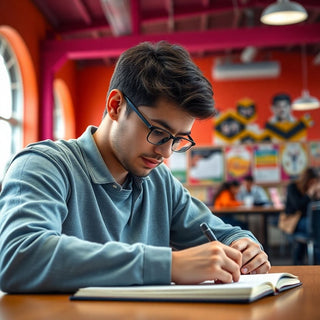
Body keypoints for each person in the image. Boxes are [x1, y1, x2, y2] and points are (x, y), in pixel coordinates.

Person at [0, 41, 270, 293]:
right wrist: (169, 265)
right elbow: (18, 256)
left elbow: (221, 235)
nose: (165, 152)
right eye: (157, 131)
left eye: (178, 139)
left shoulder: (158, 179)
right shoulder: (43, 165)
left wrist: (243, 246)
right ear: (116, 105)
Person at [285, 167, 320, 264]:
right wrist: (309, 194)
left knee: (315, 225)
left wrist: (317, 196)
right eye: (311, 182)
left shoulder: (315, 189)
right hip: (295, 221)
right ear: (306, 180)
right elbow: (298, 206)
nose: (312, 185)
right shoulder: (293, 187)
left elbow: (316, 210)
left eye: (315, 182)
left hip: (311, 221)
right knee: (314, 226)